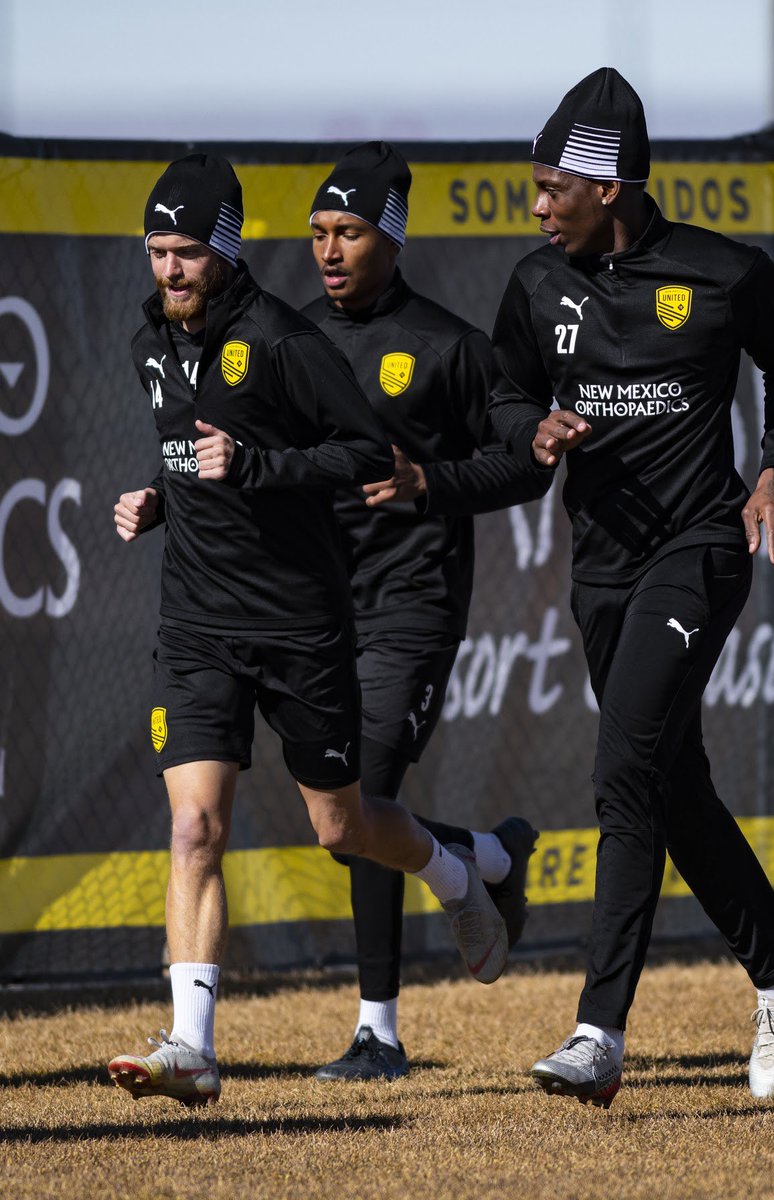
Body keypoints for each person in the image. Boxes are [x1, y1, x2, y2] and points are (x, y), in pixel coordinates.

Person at [107, 154, 509, 1108]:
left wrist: (256, 465)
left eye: (188, 254)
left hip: (299, 625)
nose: (169, 271)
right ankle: (193, 1046)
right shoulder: (148, 346)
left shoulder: (284, 342)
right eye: (158, 252)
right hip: (197, 626)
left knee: (345, 825)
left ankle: (454, 874)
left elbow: (365, 452)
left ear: (227, 251)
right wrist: (160, 499)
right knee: (196, 825)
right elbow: (189, 457)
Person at [488, 69, 774, 1108]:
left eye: (554, 188)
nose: (539, 207)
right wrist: (529, 428)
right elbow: (505, 388)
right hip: (600, 564)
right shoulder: (536, 285)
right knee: (671, 787)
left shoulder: (722, 273)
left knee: (624, 766)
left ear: (610, 186)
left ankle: (599, 1032)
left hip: (700, 549)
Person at [301, 142, 549, 1081]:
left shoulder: (448, 347)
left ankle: (379, 1033)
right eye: (319, 232)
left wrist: (428, 483)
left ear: (391, 240)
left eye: (350, 232)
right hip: (315, 612)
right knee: (342, 819)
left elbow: (526, 466)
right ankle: (484, 860)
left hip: (413, 605)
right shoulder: (291, 340)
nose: (330, 250)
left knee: (362, 795)